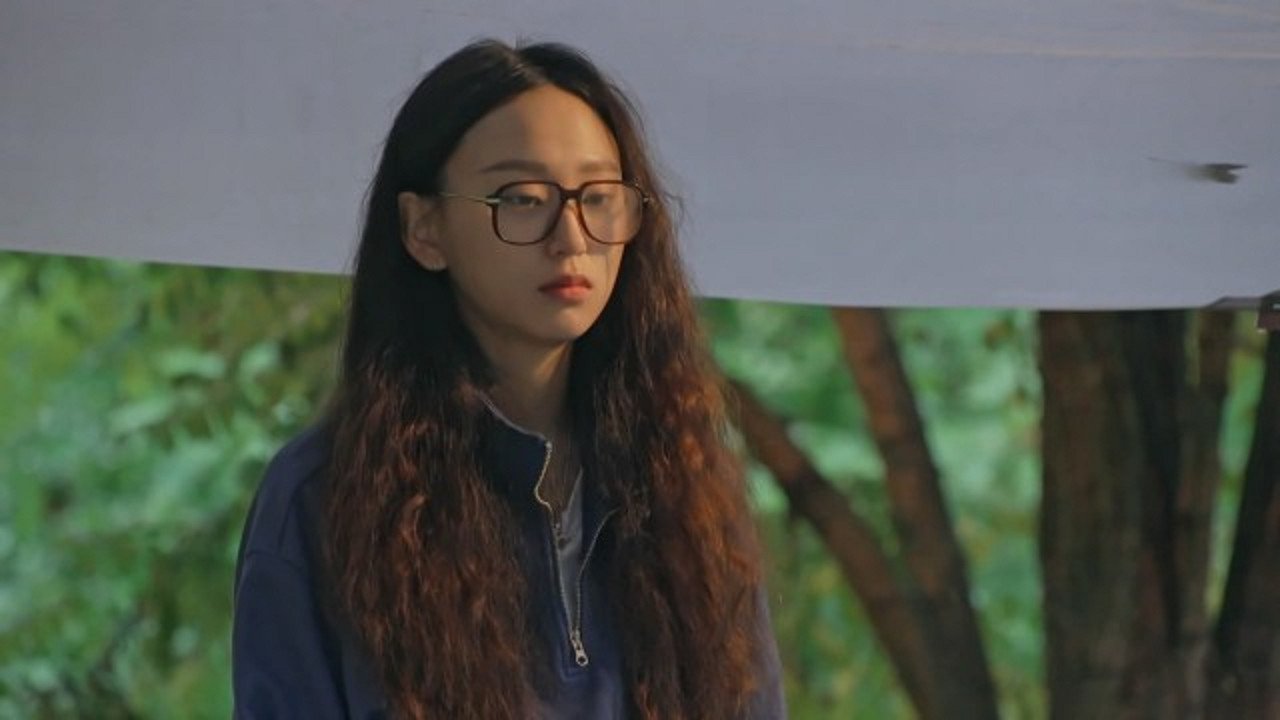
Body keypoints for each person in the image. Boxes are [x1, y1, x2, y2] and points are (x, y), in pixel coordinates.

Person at [231, 39, 785, 719]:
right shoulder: (321, 497)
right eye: (522, 198)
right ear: (424, 228)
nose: (572, 237)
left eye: (598, 197)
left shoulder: (684, 477)